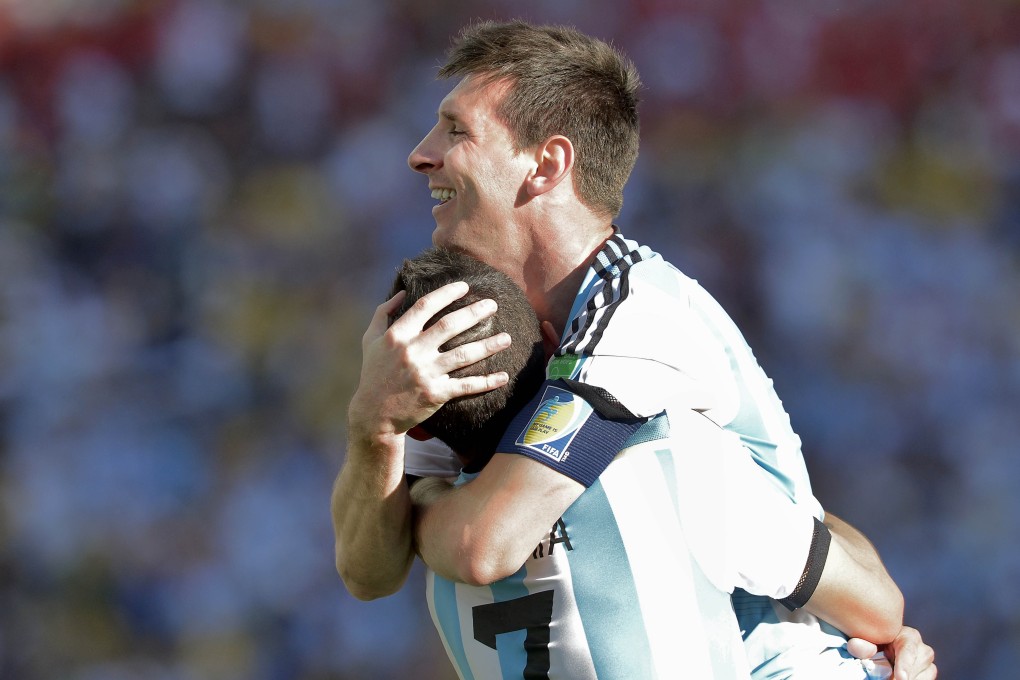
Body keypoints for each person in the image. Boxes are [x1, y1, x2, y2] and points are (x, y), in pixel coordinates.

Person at [331, 19, 937, 679]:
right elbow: (368, 568)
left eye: (456, 130)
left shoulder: (637, 319)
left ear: (547, 164)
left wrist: (412, 495)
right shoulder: (488, 323)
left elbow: (484, 543)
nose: (421, 154)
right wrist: (374, 428)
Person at [389, 247, 902, 679]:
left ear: (419, 429)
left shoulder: (430, 558)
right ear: (552, 345)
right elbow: (879, 608)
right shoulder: (670, 464)